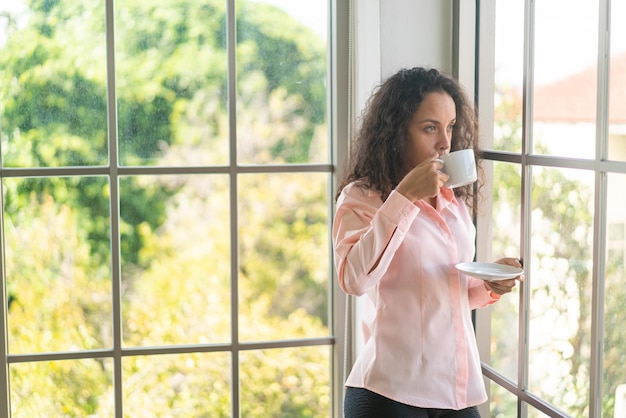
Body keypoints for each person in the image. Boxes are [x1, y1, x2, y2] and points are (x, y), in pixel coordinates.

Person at [333, 67, 523, 418]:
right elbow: (354, 279)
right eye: (430, 127)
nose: (445, 143)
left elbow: (446, 292)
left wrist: (491, 283)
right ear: (395, 132)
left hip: (456, 391)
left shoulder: (452, 201)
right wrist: (404, 197)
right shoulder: (361, 197)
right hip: (388, 394)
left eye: (450, 127)